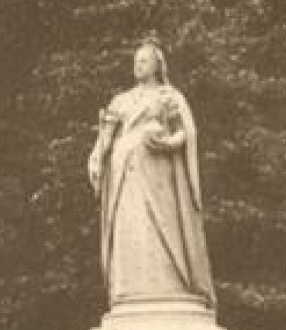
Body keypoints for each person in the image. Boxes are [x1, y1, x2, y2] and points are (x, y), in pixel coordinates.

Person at [86, 38, 215, 310]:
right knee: (129, 225)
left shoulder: (168, 97)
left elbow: (185, 132)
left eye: (143, 61)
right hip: (124, 173)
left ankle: (169, 282)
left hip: (157, 173)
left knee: (162, 223)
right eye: (135, 61)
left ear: (157, 65)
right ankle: (131, 286)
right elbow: (105, 136)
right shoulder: (122, 99)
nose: (138, 65)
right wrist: (96, 157)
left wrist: (169, 143)